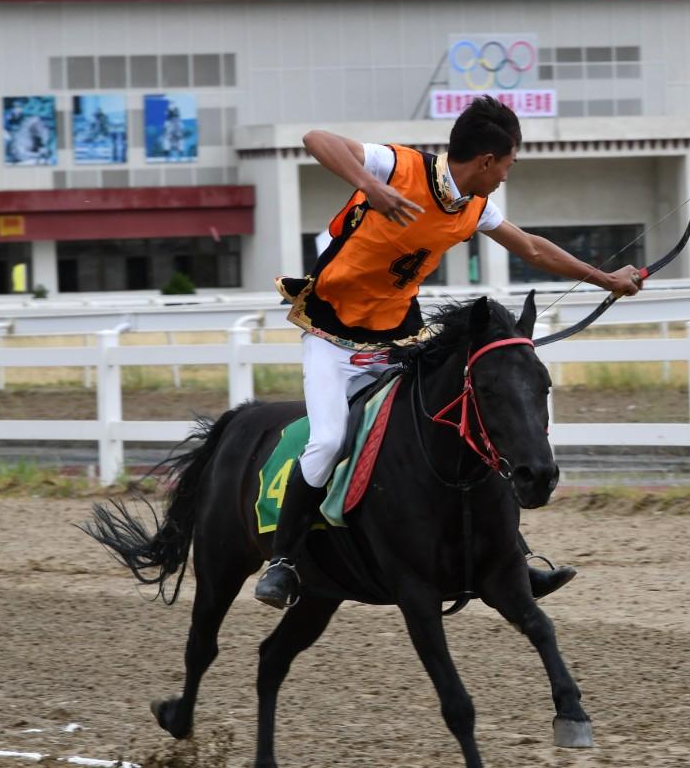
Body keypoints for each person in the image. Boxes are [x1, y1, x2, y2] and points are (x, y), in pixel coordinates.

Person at [258, 96, 644, 609]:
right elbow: (315, 140)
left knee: (464, 424)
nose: (507, 174)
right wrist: (371, 186)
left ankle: (512, 558)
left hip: (399, 336)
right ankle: (282, 562)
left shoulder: (477, 207)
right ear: (486, 160)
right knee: (328, 440)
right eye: (508, 163)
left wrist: (603, 280)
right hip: (332, 336)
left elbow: (530, 247)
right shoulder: (399, 166)